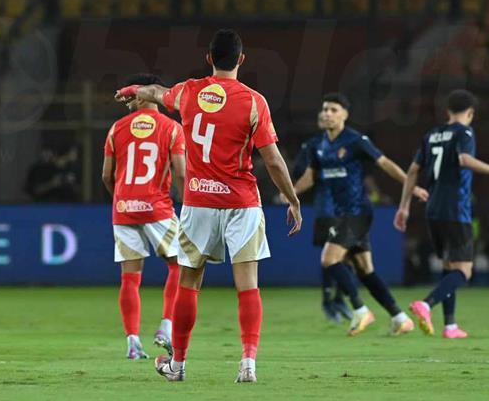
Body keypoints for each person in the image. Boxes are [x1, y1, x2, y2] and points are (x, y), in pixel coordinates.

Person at [115, 29, 302, 383]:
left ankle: (178, 365)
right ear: (241, 59)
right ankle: (248, 364)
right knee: (248, 284)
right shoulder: (253, 102)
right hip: (242, 202)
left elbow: (156, 93)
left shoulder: (188, 92)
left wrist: (133, 90)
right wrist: (292, 198)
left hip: (199, 202)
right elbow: (274, 160)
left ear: (209, 58)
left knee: (188, 283)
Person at [396, 90, 489, 339]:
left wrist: (404, 206)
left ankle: (450, 326)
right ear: (471, 113)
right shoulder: (464, 133)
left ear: (447, 111)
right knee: (464, 271)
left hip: (433, 209)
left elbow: (413, 171)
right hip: (455, 208)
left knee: (449, 266)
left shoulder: (431, 135)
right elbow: (465, 159)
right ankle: (426, 304)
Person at [291, 93, 426, 336]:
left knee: (329, 260)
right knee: (365, 270)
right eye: (325, 109)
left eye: (333, 110)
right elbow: (310, 177)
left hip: (357, 212)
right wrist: (289, 194)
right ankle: (400, 318)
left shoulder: (355, 140)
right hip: (343, 213)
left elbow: (385, 163)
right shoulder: (318, 145)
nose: (327, 113)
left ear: (345, 114)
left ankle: (360, 310)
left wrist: (411, 186)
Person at [102, 73, 186, 360]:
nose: (128, 101)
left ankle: (132, 342)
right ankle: (166, 327)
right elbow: (180, 172)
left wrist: (122, 199)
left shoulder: (116, 128)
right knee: (180, 264)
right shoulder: (172, 128)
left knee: (130, 276)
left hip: (124, 208)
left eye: (131, 97)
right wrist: (186, 203)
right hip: (156, 206)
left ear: (140, 95)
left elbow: (106, 175)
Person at [290, 131, 353, 323]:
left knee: (349, 256)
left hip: (350, 209)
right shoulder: (313, 145)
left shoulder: (352, 142)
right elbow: (300, 171)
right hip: (327, 209)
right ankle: (328, 301)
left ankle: (339, 299)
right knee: (330, 257)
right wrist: (292, 191)